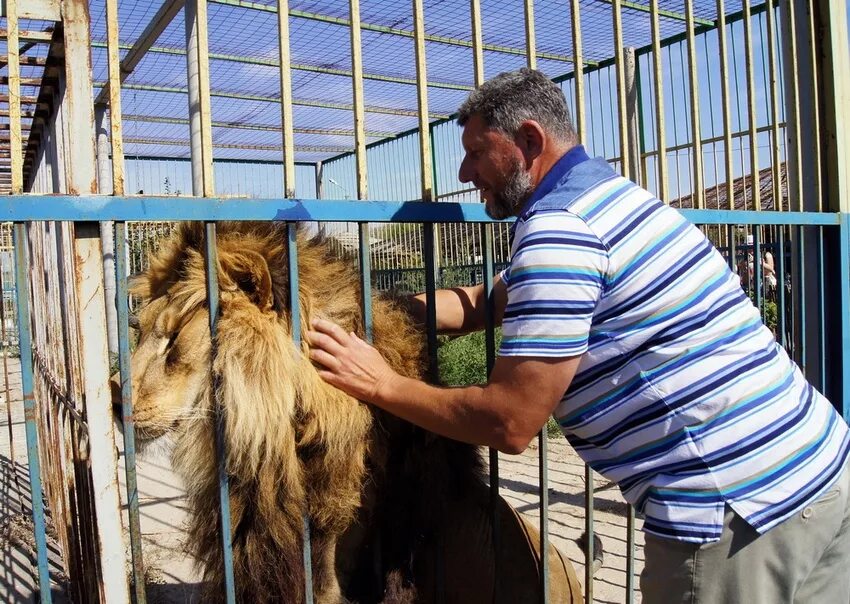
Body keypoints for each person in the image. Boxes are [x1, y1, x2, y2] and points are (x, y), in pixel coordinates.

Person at [306, 69, 850, 603]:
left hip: (733, 513)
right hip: (821, 469)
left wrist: (379, 383)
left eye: (476, 151)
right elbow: (486, 301)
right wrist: (373, 314)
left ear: (528, 140)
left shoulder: (560, 233)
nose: (465, 171)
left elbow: (510, 421)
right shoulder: (611, 200)